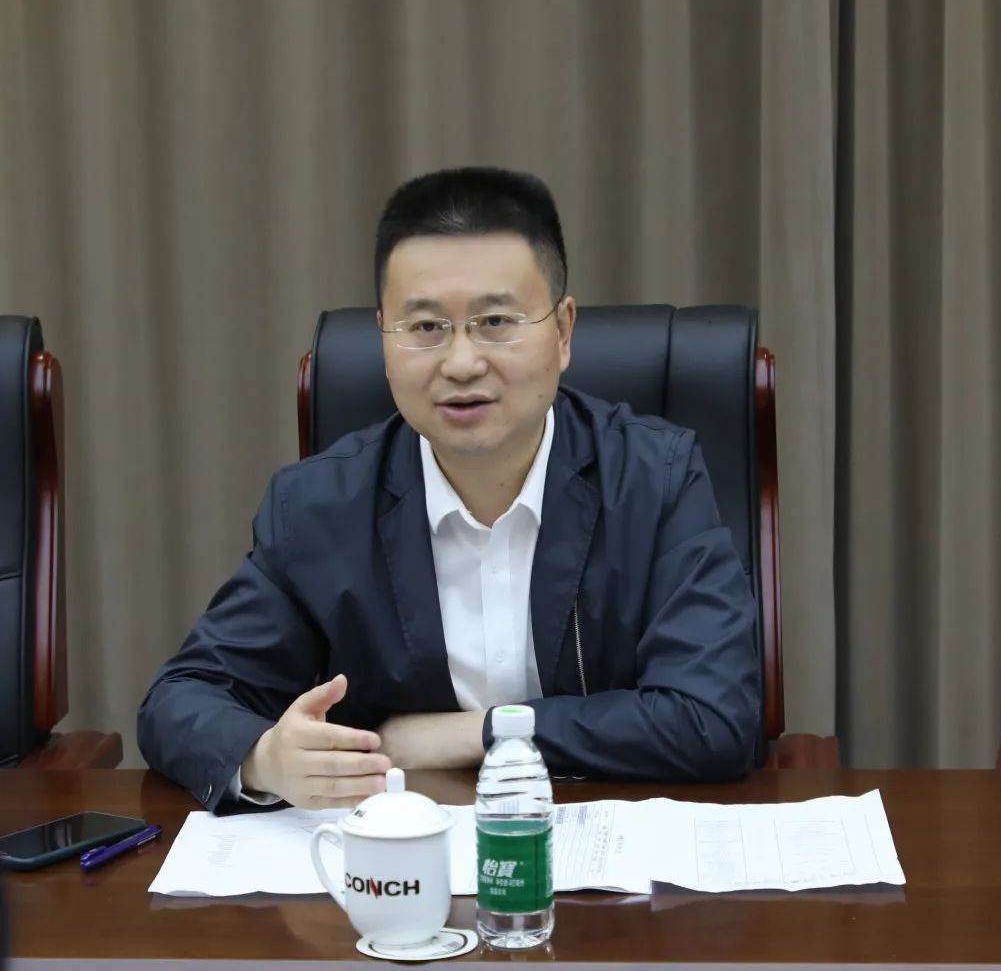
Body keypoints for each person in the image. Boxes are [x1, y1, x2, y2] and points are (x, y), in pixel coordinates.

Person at [138, 167, 760, 813]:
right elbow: (181, 699)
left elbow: (713, 719)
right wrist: (265, 757)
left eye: (496, 321)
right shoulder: (320, 506)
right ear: (384, 337)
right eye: (426, 328)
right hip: (401, 854)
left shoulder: (653, 479)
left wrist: (473, 732)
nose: (462, 363)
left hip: (607, 852)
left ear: (563, 332)